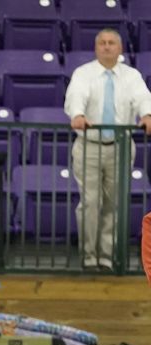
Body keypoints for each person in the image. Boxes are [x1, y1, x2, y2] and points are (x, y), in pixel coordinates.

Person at [64, 28, 151, 271]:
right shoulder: (84, 73)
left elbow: (143, 97)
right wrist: (78, 114)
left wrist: (147, 115)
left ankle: (108, 255)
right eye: (102, 42)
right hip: (88, 146)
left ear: (120, 48)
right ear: (96, 47)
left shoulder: (131, 75)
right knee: (90, 202)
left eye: (111, 42)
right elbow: (76, 95)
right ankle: (88, 255)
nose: (106, 46)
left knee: (115, 203)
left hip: (121, 147)